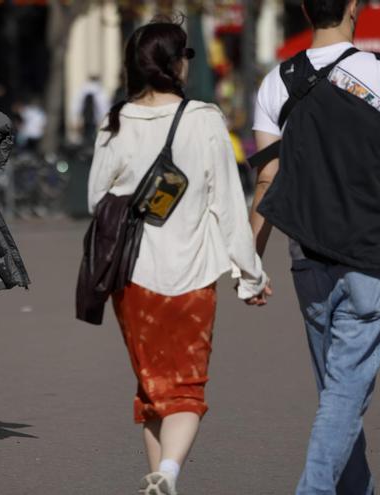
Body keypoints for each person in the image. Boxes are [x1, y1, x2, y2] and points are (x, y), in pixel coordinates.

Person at [249, 1, 380, 493]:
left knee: (339, 393)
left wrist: (250, 259)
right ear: (353, 8)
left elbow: (267, 178)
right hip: (374, 255)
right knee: (342, 397)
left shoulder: (276, 81)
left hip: (308, 259)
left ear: (307, 10)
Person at [88, 18, 270, 495]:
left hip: (132, 277)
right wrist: (249, 275)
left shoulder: (115, 122)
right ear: (176, 64)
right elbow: (229, 206)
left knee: (152, 388)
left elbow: (94, 199)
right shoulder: (205, 120)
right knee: (186, 388)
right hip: (192, 274)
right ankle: (167, 475)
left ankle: (159, 485)